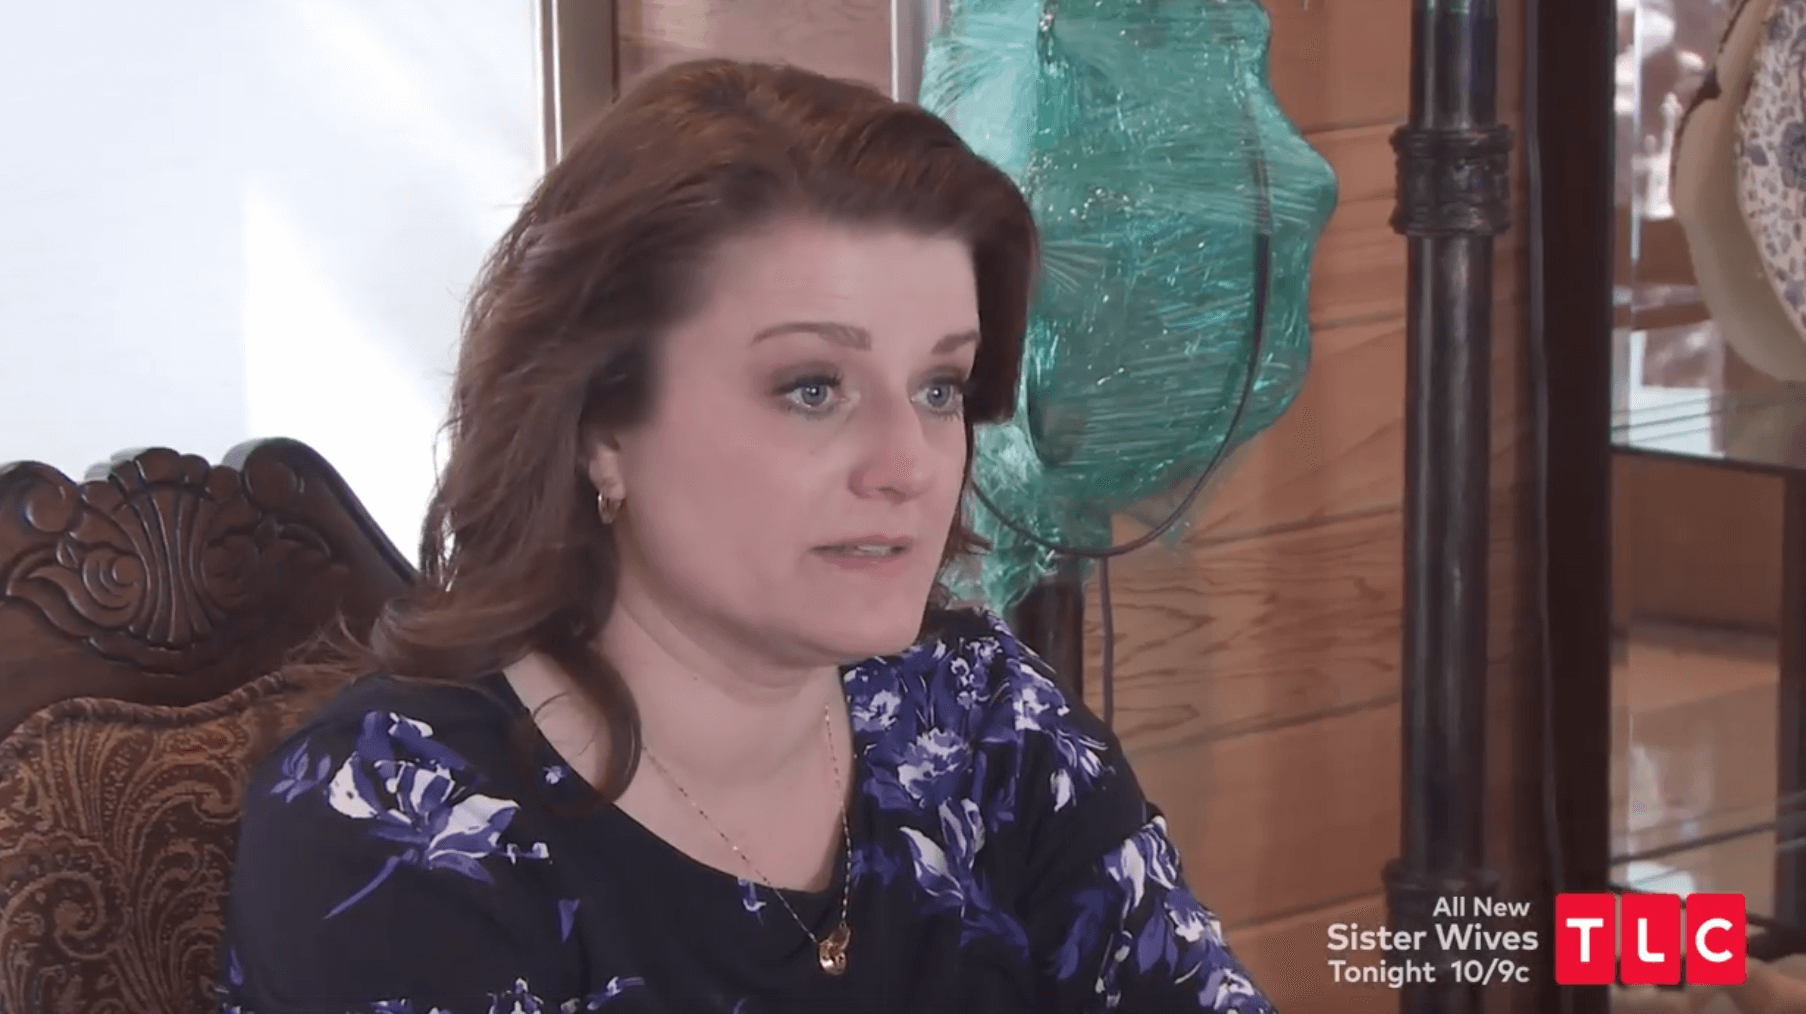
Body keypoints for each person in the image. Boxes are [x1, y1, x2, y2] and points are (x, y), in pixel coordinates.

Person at [218, 58, 1276, 1014]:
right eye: (813, 387)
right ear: (599, 427)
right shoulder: (392, 820)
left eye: (939, 387)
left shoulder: (987, 721)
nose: (908, 465)